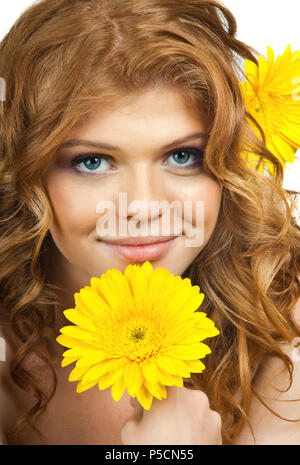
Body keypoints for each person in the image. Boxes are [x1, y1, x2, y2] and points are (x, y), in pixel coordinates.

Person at [0, 0, 299, 446]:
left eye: (183, 156)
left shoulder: (283, 320)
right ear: (25, 169)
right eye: (93, 161)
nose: (142, 206)